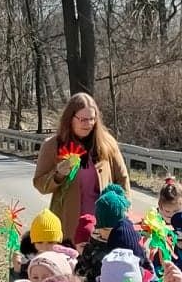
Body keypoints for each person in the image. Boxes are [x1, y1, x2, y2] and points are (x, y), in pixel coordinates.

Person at [33, 91, 131, 244]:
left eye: (92, 119)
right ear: (70, 119)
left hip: (103, 228)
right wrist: (58, 174)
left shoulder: (107, 144)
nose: (88, 124)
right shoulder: (53, 145)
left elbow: (123, 179)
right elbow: (40, 184)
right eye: (83, 119)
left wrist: (122, 209)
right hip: (69, 227)